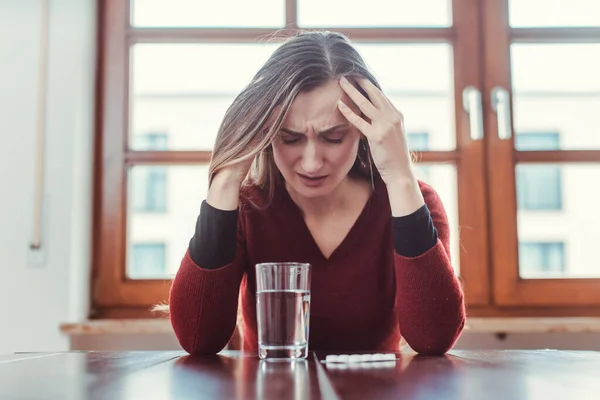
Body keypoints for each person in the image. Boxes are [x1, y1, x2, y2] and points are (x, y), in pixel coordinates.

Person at [167, 30, 465, 356]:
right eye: (291, 138)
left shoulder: (411, 202)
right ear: (265, 135)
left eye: (334, 137)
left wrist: (401, 179)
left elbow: (433, 339)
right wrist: (226, 179)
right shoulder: (247, 207)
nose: (311, 163)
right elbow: (198, 339)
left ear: (365, 131)